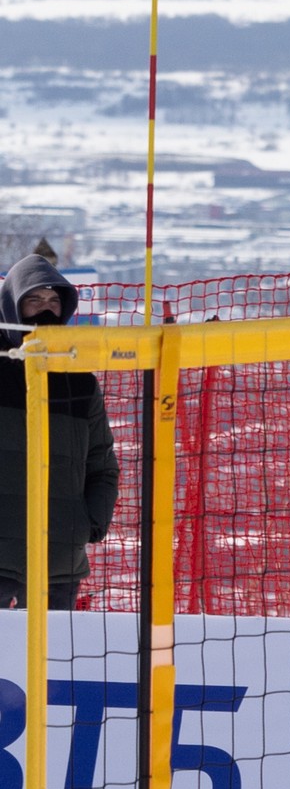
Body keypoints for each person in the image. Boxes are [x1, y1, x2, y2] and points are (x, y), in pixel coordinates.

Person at [0, 254, 117, 611]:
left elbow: (103, 466)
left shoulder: (81, 381)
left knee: (53, 664)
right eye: (34, 300)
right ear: (12, 307)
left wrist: (88, 523)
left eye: (53, 301)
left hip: (59, 564)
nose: (45, 310)